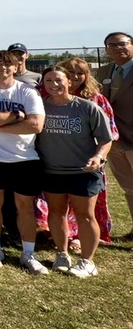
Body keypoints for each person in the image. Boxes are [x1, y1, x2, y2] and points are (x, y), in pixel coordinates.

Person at [0, 50, 46, 273]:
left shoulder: (28, 91)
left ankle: (28, 254)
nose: (3, 68)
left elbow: (36, 125)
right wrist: (16, 116)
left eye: (8, 65)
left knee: (25, 207)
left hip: (25, 157)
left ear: (15, 67)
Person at [38, 67, 112, 278]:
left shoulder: (88, 108)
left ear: (69, 82)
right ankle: (62, 254)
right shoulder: (40, 108)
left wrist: (99, 157)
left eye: (58, 80)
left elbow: (106, 139)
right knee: (56, 212)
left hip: (83, 172)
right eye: (49, 80)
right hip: (52, 171)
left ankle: (87, 261)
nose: (54, 84)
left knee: (85, 215)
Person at [94, 31, 133, 234]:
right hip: (113, 140)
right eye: (111, 45)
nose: (117, 48)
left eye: (122, 44)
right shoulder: (103, 72)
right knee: (129, 187)